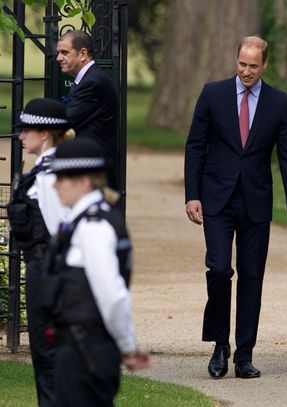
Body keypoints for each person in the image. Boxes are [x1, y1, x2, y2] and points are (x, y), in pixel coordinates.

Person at [184, 35, 287, 379]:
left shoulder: (278, 102)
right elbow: (195, 146)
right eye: (242, 64)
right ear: (235, 61)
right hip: (216, 198)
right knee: (219, 269)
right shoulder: (213, 94)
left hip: (255, 201)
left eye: (253, 65)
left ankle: (244, 355)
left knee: (252, 277)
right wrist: (193, 195)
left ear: (264, 65)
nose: (246, 71)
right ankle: (220, 344)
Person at [42, 138, 151, 404]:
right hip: (82, 345)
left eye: (62, 178)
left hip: (85, 349)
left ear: (84, 182)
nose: (55, 186)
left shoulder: (92, 227)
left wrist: (127, 346)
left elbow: (112, 295)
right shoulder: (85, 219)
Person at [7, 98, 72, 406]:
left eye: (26, 129)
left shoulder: (52, 176)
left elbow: (65, 230)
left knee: (49, 353)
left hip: (50, 271)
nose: (20, 136)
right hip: (45, 269)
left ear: (45, 133)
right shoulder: (46, 169)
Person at [56, 30, 119, 189]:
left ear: (82, 54)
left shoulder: (92, 82)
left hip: (94, 169)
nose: (58, 58)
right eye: (58, 53)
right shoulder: (89, 78)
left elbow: (68, 119)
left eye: (64, 52)